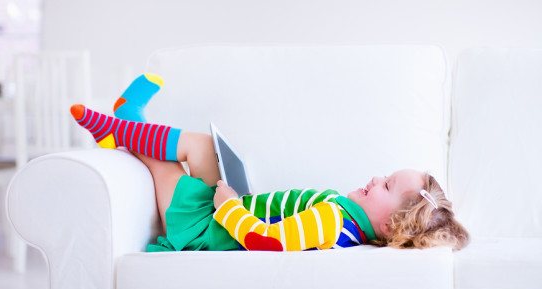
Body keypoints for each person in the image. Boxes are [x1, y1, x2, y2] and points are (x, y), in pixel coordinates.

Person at [70, 74, 470, 252]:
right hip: (224, 217)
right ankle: (127, 122)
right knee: (205, 147)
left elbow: (267, 241)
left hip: (205, 231)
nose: (376, 178)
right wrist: (240, 200)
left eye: (386, 185)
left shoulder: (335, 222)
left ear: (390, 225)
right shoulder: (346, 217)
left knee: (168, 164)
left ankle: (118, 128)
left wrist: (228, 207)